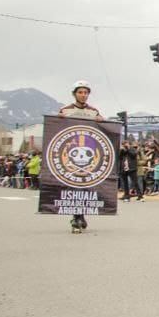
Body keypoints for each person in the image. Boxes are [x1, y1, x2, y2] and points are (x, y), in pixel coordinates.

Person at [59, 80, 104, 233]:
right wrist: (59, 119)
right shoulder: (65, 110)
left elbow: (101, 131)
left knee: (85, 186)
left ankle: (81, 215)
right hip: (71, 151)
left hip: (88, 152)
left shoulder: (93, 111)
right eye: (80, 92)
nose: (83, 95)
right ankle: (75, 216)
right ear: (74, 94)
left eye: (86, 92)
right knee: (73, 184)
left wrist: (101, 120)